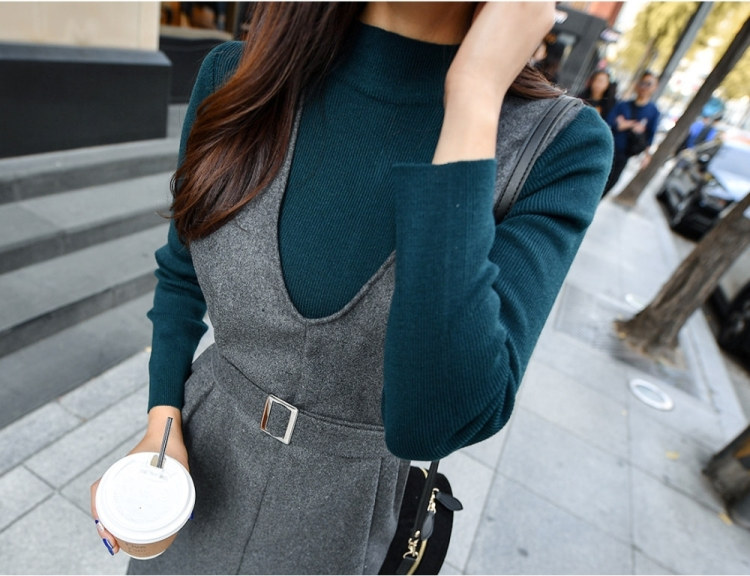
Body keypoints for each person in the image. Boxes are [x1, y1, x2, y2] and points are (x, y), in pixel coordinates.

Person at [90, 3, 612, 574]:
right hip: (196, 462)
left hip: (345, 518)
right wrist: (161, 427)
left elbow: (435, 422)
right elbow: (181, 272)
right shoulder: (239, 77)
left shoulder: (559, 147)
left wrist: (475, 95)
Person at [602, 70, 660, 196]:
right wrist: (631, 125)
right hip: (607, 149)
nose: (644, 87)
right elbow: (609, 122)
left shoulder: (653, 111)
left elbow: (650, 135)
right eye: (643, 83)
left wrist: (647, 156)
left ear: (655, 87)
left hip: (624, 155)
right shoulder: (623, 105)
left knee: (608, 185)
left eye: (649, 84)